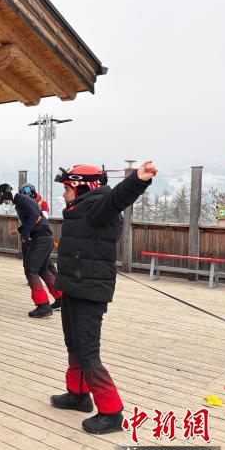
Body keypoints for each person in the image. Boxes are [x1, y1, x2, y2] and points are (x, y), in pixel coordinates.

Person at [50, 161, 157, 434]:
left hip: (89, 292)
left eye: (67, 188)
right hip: (73, 287)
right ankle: (78, 395)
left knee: (88, 353)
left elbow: (118, 197)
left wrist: (138, 179)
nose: (64, 194)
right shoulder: (79, 209)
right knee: (73, 345)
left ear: (83, 187)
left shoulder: (98, 206)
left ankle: (111, 412)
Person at [0, 183, 61, 318]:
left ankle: (43, 305)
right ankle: (61, 298)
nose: (5, 203)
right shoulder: (21, 200)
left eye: (4, 201)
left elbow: (34, 217)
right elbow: (34, 218)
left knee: (31, 270)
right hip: (45, 237)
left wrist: (25, 235)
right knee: (43, 270)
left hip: (41, 238)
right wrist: (19, 230)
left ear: (6, 196)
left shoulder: (21, 201)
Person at [17, 184, 58, 280]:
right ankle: (31, 279)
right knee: (27, 260)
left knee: (46, 262)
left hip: (39, 236)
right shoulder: (23, 203)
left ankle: (57, 279)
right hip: (28, 235)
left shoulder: (42, 203)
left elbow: (43, 219)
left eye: (24, 194)